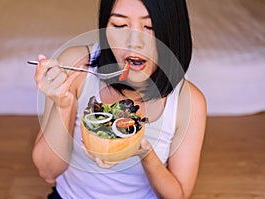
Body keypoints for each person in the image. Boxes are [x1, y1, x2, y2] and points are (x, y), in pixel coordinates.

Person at [32, 0, 207, 198]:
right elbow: (47, 172)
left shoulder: (189, 101)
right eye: (119, 25)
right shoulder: (76, 65)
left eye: (150, 27)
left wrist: (145, 154)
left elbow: (178, 195)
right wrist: (63, 104)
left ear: (174, 32)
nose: (134, 42)